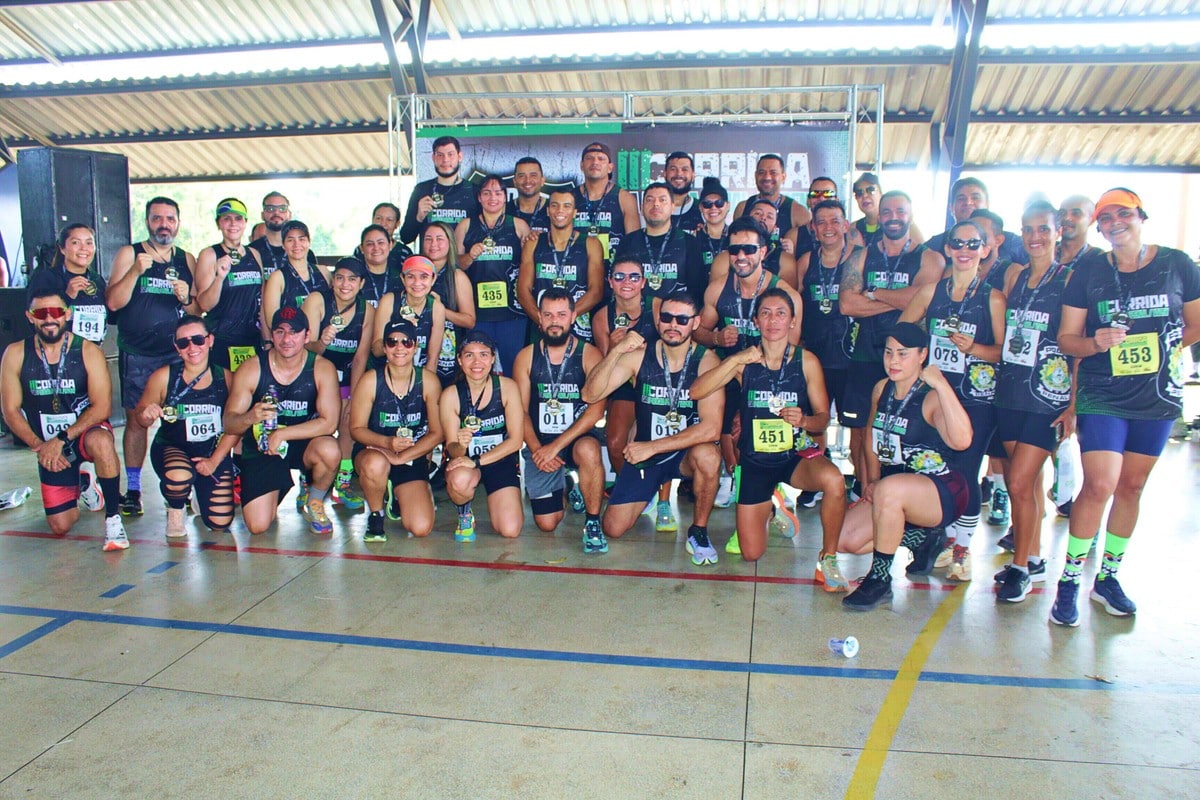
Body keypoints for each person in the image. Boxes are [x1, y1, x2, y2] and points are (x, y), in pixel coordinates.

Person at [1050, 188, 1200, 625]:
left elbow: (1195, 324)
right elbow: (1066, 339)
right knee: (1100, 484)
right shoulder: (1089, 270)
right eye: (1106, 217)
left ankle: (1108, 577)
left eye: (1124, 213)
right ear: (1099, 227)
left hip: (1157, 395)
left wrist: (1165, 345)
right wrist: (1096, 342)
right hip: (1103, 393)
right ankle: (1070, 580)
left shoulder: (1177, 264)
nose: (1116, 222)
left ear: (1141, 217)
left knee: (1132, 487)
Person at [690, 288, 848, 578]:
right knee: (751, 553)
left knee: (835, 480)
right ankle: (772, 507)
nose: (773, 320)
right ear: (756, 321)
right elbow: (696, 391)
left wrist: (804, 420)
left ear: (792, 321)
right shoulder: (745, 362)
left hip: (794, 456)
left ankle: (828, 559)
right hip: (755, 461)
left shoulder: (807, 361)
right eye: (765, 313)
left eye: (780, 313)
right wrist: (734, 361)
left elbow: (823, 420)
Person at [899, 219, 1006, 582]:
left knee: (966, 469)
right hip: (935, 398)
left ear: (985, 250)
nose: (964, 250)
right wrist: (917, 359)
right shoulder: (931, 292)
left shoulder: (992, 297)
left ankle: (963, 548)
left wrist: (973, 348)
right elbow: (903, 333)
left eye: (973, 244)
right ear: (947, 248)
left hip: (976, 399)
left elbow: (1004, 352)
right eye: (957, 243)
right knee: (938, 468)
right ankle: (944, 539)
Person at [838, 323, 973, 611]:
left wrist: (942, 385)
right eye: (888, 352)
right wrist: (871, 481)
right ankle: (922, 539)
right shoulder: (882, 388)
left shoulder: (931, 395)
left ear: (922, 355)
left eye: (903, 354)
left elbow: (962, 441)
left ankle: (879, 579)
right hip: (894, 487)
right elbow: (871, 437)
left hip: (941, 489)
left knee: (890, 490)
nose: (893, 361)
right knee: (845, 540)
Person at [581, 295, 723, 565]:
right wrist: (616, 351)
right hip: (646, 456)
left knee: (709, 456)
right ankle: (647, 494)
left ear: (695, 323)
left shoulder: (707, 361)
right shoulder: (639, 356)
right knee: (613, 528)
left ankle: (699, 531)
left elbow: (711, 429)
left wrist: (653, 447)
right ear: (658, 321)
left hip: (684, 454)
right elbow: (590, 394)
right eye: (667, 318)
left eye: (682, 320)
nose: (673, 325)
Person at [992, 202, 1075, 602]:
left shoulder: (1070, 280)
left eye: (1043, 229)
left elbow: (1076, 345)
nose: (1035, 237)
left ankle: (1021, 568)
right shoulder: (1016, 276)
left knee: (1019, 482)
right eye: (1027, 229)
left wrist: (1074, 403)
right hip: (1010, 391)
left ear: (1058, 231)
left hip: (1048, 397)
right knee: (1029, 482)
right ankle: (1036, 556)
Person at [0, 290, 126, 549]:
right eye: (41, 313)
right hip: (47, 445)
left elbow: (102, 408)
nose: (49, 318)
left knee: (102, 441)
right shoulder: (15, 353)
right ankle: (83, 483)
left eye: (56, 312)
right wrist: (40, 446)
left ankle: (113, 519)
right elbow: (10, 410)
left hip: (82, 434)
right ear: (30, 317)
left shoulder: (88, 351)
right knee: (61, 526)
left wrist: (61, 438)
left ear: (67, 314)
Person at [696, 217, 803, 519]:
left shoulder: (786, 295)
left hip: (772, 382)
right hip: (731, 373)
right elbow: (699, 331)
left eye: (749, 249)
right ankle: (735, 478)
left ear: (763, 252)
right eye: (734, 250)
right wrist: (716, 337)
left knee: (752, 430)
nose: (741, 256)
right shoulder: (717, 289)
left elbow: (791, 356)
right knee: (726, 430)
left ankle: (773, 487)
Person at [839, 190, 942, 499]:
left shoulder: (929, 257)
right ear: (879, 216)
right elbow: (846, 304)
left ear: (911, 215)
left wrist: (873, 293)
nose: (893, 217)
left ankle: (899, 495)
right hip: (865, 355)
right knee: (861, 432)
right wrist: (900, 298)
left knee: (905, 429)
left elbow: (921, 298)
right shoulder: (860, 255)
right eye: (887, 212)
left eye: (900, 211)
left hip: (906, 358)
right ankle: (863, 491)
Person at [106, 196, 199, 517]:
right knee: (137, 420)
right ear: (147, 221)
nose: (164, 224)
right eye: (157, 218)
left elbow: (197, 310)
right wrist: (135, 271)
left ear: (178, 223)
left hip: (176, 355)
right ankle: (133, 489)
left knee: (181, 418)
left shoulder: (187, 259)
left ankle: (182, 485)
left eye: (170, 219)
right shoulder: (130, 253)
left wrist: (186, 297)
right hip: (138, 354)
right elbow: (113, 303)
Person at [222, 307, 341, 535]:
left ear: (307, 336)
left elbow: (330, 423)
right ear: (272, 335)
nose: (287, 339)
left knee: (330, 450)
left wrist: (282, 434)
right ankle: (274, 484)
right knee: (258, 526)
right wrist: (250, 416)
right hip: (263, 447)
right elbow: (229, 423)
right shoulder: (251, 368)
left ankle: (314, 500)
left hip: (303, 442)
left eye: (294, 332)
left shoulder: (322, 368)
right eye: (280, 331)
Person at [512, 289, 607, 550]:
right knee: (547, 523)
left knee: (589, 450)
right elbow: (520, 412)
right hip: (540, 443)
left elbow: (595, 412)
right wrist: (537, 449)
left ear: (573, 316)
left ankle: (592, 522)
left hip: (577, 437)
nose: (555, 321)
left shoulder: (590, 354)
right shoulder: (525, 357)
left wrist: (555, 447)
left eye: (562, 314)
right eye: (548, 315)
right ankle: (567, 485)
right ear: (539, 318)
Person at [134, 316, 237, 537]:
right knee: (179, 476)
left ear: (210, 340)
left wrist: (214, 461)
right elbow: (141, 418)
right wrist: (146, 414)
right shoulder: (163, 376)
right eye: (183, 343)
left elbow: (235, 427)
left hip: (211, 451)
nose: (192, 348)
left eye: (198, 340)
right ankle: (176, 507)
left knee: (220, 522)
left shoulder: (226, 377)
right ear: (177, 348)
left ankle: (199, 491)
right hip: (172, 447)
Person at [350, 319, 444, 542]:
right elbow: (356, 429)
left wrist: (403, 457)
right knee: (375, 465)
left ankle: (397, 493)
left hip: (411, 456)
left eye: (406, 342)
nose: (399, 348)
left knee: (421, 528)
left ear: (415, 346)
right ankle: (376, 515)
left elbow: (437, 433)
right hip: (376, 450)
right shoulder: (370, 380)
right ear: (384, 348)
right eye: (392, 342)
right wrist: (387, 443)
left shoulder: (428, 381)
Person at [796, 200, 863, 507]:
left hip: (851, 357)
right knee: (816, 421)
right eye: (821, 222)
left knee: (856, 426)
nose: (828, 228)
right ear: (813, 228)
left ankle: (859, 482)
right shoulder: (806, 261)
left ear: (846, 225)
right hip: (816, 355)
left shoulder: (859, 258)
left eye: (835, 221)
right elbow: (798, 305)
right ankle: (815, 479)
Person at [439, 331, 526, 541]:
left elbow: (516, 441)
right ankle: (464, 513)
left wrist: (477, 461)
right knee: (459, 480)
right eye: (469, 355)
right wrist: (460, 445)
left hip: (499, 460)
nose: (477, 362)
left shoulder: (507, 387)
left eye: (484, 355)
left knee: (510, 530)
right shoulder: (451, 395)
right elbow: (452, 448)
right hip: (464, 462)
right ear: (459, 360)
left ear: (493, 358)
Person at [303, 257, 374, 510]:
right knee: (316, 425)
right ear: (333, 280)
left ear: (361, 283)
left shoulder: (367, 310)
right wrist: (322, 341)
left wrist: (354, 398)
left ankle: (342, 482)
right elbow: (305, 349)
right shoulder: (317, 300)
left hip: (343, 376)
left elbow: (360, 358)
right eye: (340, 278)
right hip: (312, 375)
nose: (345, 284)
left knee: (348, 422)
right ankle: (307, 482)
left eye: (352, 279)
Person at [591, 256, 657, 505]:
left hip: (659, 385)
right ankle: (634, 490)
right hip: (623, 385)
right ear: (610, 281)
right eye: (619, 277)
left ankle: (659, 496)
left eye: (633, 277)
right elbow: (603, 368)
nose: (626, 282)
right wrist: (613, 347)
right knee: (616, 442)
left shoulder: (657, 307)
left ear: (643, 282)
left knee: (653, 439)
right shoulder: (602, 317)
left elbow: (673, 350)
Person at [455, 174, 531, 374]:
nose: (492, 197)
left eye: (498, 193)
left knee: (513, 368)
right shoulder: (465, 226)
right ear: (479, 197)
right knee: (477, 368)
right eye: (487, 193)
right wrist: (470, 256)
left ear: (505, 197)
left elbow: (529, 266)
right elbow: (456, 265)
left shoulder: (518, 225)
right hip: (477, 312)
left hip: (512, 313)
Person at [518, 188, 605, 343]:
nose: (560, 210)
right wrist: (544, 320)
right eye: (555, 205)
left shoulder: (591, 243)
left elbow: (596, 291)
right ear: (547, 210)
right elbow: (523, 291)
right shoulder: (533, 243)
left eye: (567, 206)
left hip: (576, 325)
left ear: (575, 212)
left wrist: (564, 319)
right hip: (541, 328)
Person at [194, 198, 266, 371]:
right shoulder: (210, 255)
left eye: (238, 218)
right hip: (222, 339)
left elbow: (262, 299)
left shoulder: (254, 254)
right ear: (218, 224)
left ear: (245, 223)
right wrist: (219, 277)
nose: (233, 223)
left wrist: (268, 338)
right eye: (226, 218)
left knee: (249, 386)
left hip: (252, 338)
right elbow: (204, 305)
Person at [615, 183, 707, 306]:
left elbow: (697, 291)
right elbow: (618, 284)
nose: (656, 204)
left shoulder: (689, 242)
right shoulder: (628, 242)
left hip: (675, 315)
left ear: (672, 207)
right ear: (641, 208)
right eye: (650, 200)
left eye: (662, 200)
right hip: (636, 314)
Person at [26, 223, 109, 345]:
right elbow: (34, 321)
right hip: (57, 350)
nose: (83, 248)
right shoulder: (45, 278)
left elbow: (109, 317)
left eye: (89, 243)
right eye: (76, 242)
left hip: (92, 350)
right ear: (62, 249)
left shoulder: (97, 280)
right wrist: (67, 296)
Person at [927, 177, 1027, 266]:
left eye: (975, 198)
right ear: (952, 208)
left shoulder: (1011, 242)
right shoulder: (937, 244)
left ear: (987, 205)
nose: (968, 202)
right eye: (961, 199)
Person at [398, 135, 478, 245]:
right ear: (433, 158)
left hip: (462, 255)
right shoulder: (422, 189)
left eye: (450, 154)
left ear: (459, 156)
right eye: (440, 155)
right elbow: (406, 237)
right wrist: (419, 217)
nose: (445, 160)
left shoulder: (474, 190)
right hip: (431, 256)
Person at [421, 223, 475, 387]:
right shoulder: (415, 274)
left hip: (447, 352)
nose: (433, 244)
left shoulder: (457, 276)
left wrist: (440, 309)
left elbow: (469, 321)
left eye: (439, 239)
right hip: (418, 346)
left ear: (450, 243)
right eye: (428, 239)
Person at [372, 255, 445, 373]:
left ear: (433, 279)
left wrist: (424, 382)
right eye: (411, 276)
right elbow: (376, 350)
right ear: (402, 278)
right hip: (387, 372)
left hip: (419, 373)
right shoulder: (389, 301)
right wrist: (397, 333)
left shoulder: (437, 308)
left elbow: (433, 359)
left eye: (424, 277)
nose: (417, 283)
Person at [572, 142, 641, 265]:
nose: (595, 162)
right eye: (589, 158)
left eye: (601, 158)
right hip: (577, 268)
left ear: (610, 167)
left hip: (613, 269)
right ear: (582, 165)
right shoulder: (570, 198)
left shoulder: (625, 198)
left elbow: (634, 244)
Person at [261, 220, 331, 326]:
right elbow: (272, 322)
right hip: (292, 334)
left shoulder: (323, 272)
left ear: (309, 242)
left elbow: (334, 307)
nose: (296, 244)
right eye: (290, 240)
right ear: (283, 245)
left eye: (301, 239)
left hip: (323, 335)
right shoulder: (277, 278)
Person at [732, 154, 811, 241]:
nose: (767, 177)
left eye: (773, 173)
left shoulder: (799, 212)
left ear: (783, 177)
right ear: (755, 176)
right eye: (762, 172)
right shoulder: (742, 208)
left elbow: (807, 247)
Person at [248, 191, 315, 280]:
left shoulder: (304, 253)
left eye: (282, 208)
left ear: (289, 215)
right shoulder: (251, 251)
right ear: (262, 215)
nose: (276, 213)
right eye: (270, 208)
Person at [850, 172, 926, 249]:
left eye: (870, 190)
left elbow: (922, 250)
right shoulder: (854, 228)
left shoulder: (902, 224)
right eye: (859, 193)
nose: (865, 195)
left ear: (881, 194)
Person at [356, 224, 402, 308]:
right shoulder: (354, 277)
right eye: (370, 244)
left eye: (380, 243)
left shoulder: (401, 277)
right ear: (361, 248)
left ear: (390, 245)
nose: (376, 248)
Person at [695, 177, 731, 270]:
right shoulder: (693, 238)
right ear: (701, 207)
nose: (713, 208)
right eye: (707, 204)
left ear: (728, 206)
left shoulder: (735, 237)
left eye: (719, 203)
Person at [508, 157, 550, 234]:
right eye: (522, 176)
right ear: (514, 182)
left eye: (533, 175)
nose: (527, 180)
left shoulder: (553, 210)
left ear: (542, 180)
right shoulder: (504, 210)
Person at [663, 151, 703, 231]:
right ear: (665, 174)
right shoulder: (654, 208)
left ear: (693, 175)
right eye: (673, 169)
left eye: (685, 169)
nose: (679, 174)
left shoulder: (703, 209)